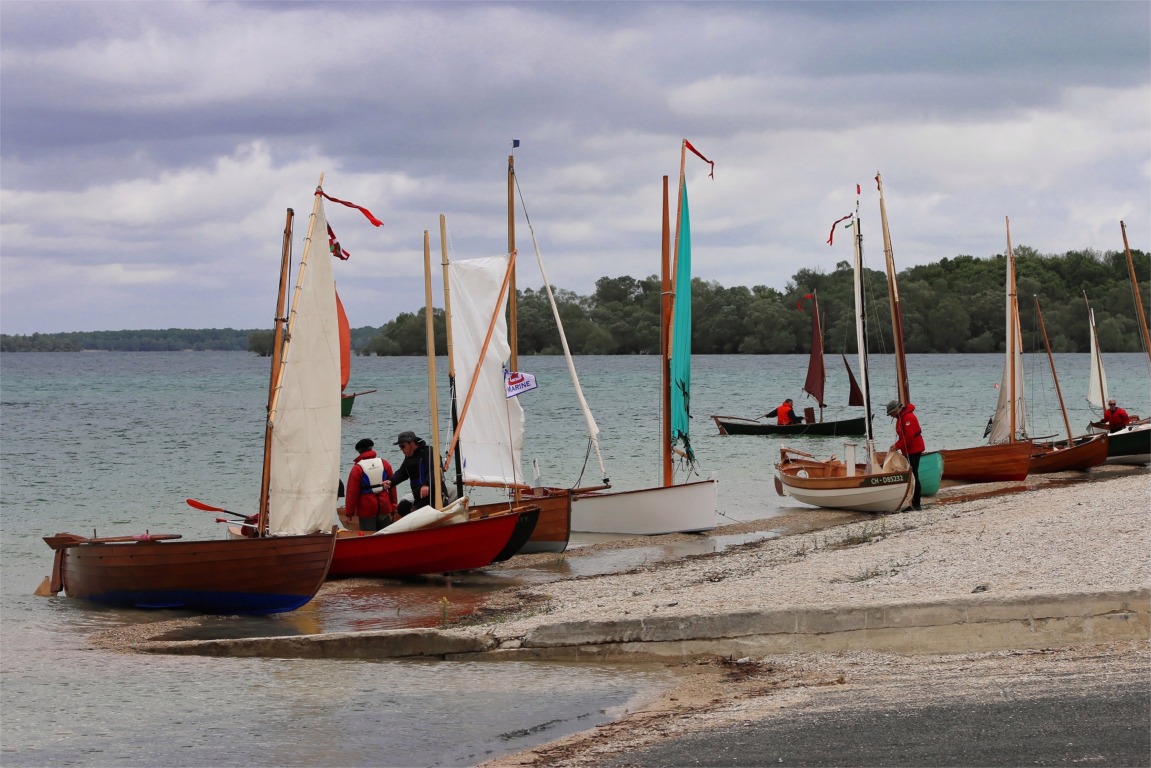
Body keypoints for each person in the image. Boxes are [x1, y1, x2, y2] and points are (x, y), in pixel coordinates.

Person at [382, 431, 447, 516]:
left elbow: (435, 469)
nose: (401, 449)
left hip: (434, 495)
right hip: (419, 496)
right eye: (400, 446)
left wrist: (426, 484)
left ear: (412, 444)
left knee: (422, 514)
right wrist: (390, 482)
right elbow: (402, 472)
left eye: (402, 446)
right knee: (402, 507)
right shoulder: (409, 458)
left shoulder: (428, 452)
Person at [344, 438, 398, 532]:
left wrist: (349, 513)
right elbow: (392, 486)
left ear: (359, 451)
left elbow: (352, 493)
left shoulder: (357, 468)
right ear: (371, 448)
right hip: (384, 505)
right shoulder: (384, 463)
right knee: (385, 536)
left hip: (366, 508)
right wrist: (394, 504)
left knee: (369, 537)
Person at [887, 400, 925, 511]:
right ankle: (911, 501)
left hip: (914, 449)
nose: (891, 416)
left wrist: (896, 446)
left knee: (914, 476)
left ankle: (916, 503)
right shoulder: (900, 418)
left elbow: (908, 437)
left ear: (896, 409)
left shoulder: (908, 417)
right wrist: (897, 446)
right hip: (908, 450)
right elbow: (902, 437)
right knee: (911, 475)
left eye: (891, 413)